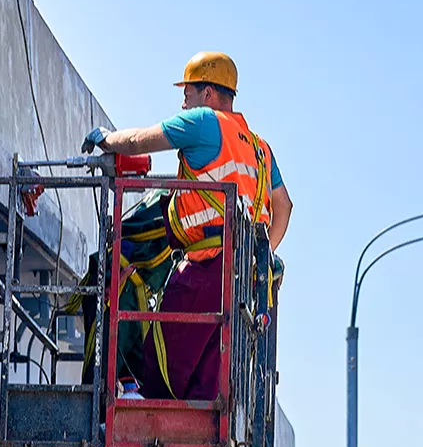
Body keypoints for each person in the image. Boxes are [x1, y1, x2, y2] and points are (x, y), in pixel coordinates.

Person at [81, 51, 292, 400]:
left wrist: (105, 138)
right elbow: (284, 205)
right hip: (241, 281)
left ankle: (135, 403)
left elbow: (138, 141)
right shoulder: (260, 149)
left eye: (188, 92)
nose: (183, 102)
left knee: (163, 357)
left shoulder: (204, 121)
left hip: (203, 268)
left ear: (208, 94)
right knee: (208, 376)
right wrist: (260, 257)